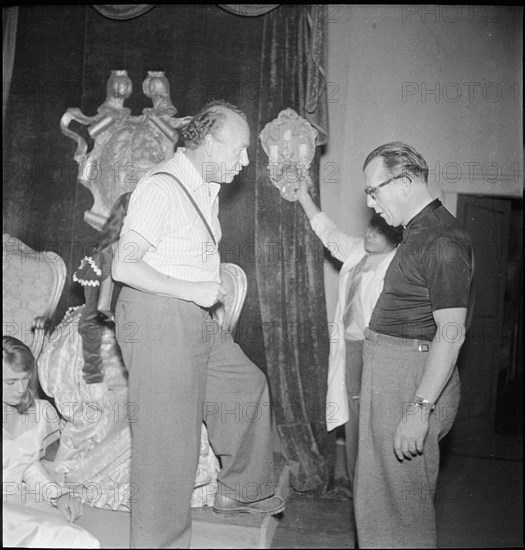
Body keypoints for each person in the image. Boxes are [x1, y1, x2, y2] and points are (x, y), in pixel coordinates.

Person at [112, 99, 284, 548]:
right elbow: (123, 268)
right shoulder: (160, 188)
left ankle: (242, 492)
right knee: (168, 446)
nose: (245, 162)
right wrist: (194, 290)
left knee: (245, 386)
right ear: (208, 143)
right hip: (156, 317)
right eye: (240, 150)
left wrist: (199, 292)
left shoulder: (204, 186)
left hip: (190, 316)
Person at [353, 142, 474, 548]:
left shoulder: (441, 240)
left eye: (374, 190)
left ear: (404, 182)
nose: (371, 203)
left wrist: (420, 409)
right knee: (379, 497)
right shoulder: (419, 233)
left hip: (409, 379)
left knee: (400, 506)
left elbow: (451, 331)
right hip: (395, 374)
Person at [295, 179, 403, 496]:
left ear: (394, 237)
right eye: (369, 228)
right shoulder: (357, 251)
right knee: (354, 423)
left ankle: (375, 493)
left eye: (377, 232)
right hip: (352, 351)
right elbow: (327, 231)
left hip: (379, 354)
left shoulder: (398, 266)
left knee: (375, 426)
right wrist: (303, 196)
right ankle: (359, 489)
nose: (368, 234)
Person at [2, 335, 99, 548]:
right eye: (10, 381)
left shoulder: (38, 413)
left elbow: (27, 466)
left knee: (78, 539)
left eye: (25, 378)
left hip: (18, 501)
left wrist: (57, 495)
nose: (20, 389)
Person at [72, 192, 131, 401]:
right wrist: (93, 374)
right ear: (122, 219)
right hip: (100, 339)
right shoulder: (104, 256)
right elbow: (90, 320)